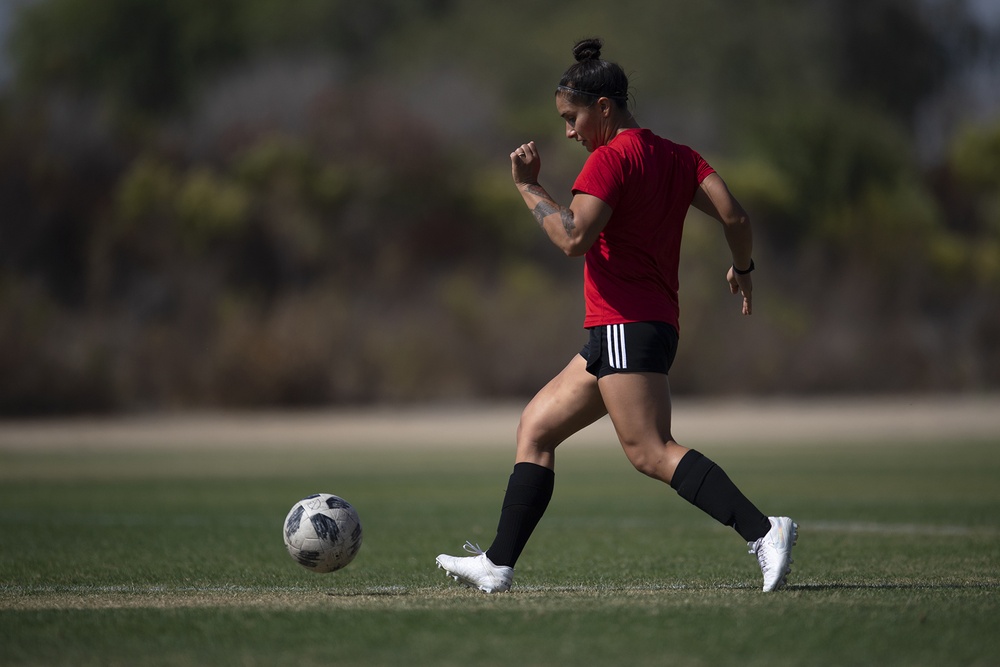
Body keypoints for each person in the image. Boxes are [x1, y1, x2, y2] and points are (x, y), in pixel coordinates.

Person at [436, 37, 796, 594]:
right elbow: (734, 214)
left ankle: (763, 529)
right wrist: (743, 268)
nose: (569, 132)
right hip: (638, 327)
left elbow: (573, 237)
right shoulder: (678, 156)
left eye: (572, 118)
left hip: (626, 325)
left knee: (649, 451)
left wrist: (529, 186)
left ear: (603, 107)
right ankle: (497, 563)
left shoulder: (611, 159)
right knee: (536, 428)